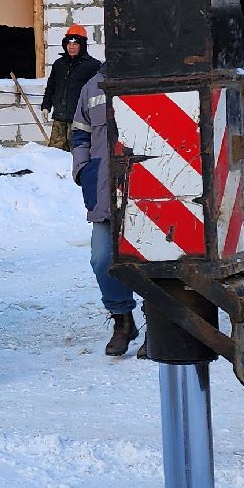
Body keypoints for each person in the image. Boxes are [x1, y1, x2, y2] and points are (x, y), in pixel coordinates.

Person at [69, 67, 140, 356]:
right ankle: (122, 319)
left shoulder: (146, 75)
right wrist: (83, 170)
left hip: (146, 187)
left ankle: (160, 324)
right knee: (101, 259)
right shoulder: (92, 86)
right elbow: (79, 134)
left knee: (149, 260)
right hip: (103, 189)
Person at [38, 24, 101, 150]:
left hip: (79, 122)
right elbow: (51, 87)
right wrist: (45, 106)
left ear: (82, 45)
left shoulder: (93, 66)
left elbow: (97, 94)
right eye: (69, 43)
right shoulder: (59, 64)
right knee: (55, 156)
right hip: (59, 119)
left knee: (78, 156)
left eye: (75, 43)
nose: (71, 46)